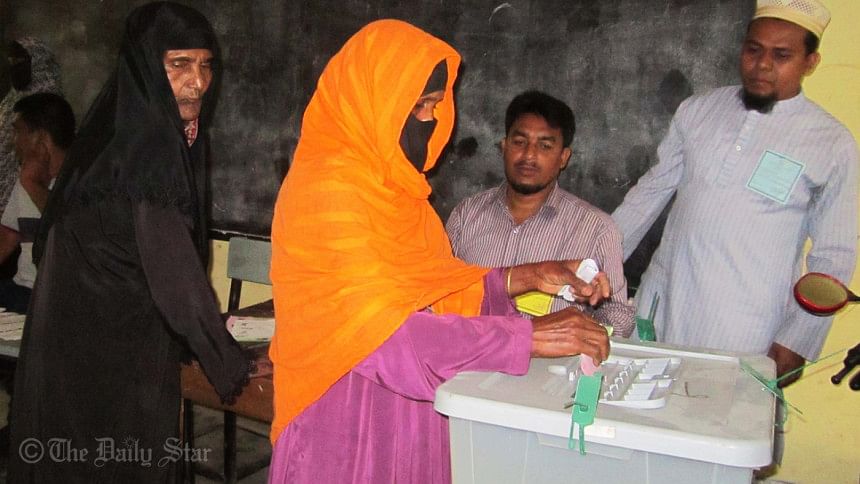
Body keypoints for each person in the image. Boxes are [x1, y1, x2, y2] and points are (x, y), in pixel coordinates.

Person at [268, 20, 611, 483]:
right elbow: (384, 341)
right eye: (417, 106)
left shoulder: (400, 194)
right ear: (373, 101)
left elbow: (432, 295)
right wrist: (528, 338)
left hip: (408, 414)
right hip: (344, 422)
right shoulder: (326, 194)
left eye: (434, 105)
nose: (429, 121)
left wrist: (528, 276)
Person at [9, 3, 252, 481]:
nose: (198, 82)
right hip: (108, 358)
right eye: (179, 64)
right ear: (146, 66)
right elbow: (175, 279)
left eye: (206, 65)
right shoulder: (149, 148)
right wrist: (231, 365)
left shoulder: (116, 132)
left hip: (74, 344)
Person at [612, 0, 858, 387]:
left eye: (781, 55)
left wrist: (797, 339)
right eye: (753, 49)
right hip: (664, 306)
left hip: (748, 328)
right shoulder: (697, 111)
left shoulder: (832, 143)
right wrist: (591, 268)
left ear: (811, 62)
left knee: (723, 419)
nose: (762, 65)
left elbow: (835, 255)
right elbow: (649, 194)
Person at [447, 90, 635, 337]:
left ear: (563, 158)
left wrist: (585, 326)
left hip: (551, 360)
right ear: (504, 146)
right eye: (519, 142)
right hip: (470, 355)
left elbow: (619, 316)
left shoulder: (596, 229)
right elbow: (435, 292)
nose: (529, 155)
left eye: (545, 146)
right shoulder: (466, 216)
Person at [0, 92, 75, 313]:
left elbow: (71, 230)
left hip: (53, 300)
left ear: (41, 138)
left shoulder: (83, 180)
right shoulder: (27, 178)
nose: (13, 141)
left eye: (18, 131)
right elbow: (7, 238)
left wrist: (32, 184)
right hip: (20, 291)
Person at [0, 38, 62, 217]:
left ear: (37, 61)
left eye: (20, 61)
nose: (14, 66)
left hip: (26, 206)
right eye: (12, 61)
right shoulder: (11, 101)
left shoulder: (50, 107)